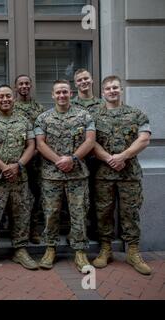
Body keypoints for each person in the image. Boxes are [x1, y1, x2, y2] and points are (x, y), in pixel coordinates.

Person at [92, 75, 152, 275]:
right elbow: (90, 142)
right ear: (102, 92)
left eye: (115, 87)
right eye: (108, 88)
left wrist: (123, 156)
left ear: (121, 90)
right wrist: (110, 158)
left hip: (129, 174)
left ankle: (133, 251)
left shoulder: (136, 114)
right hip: (103, 174)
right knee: (103, 212)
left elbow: (144, 139)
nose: (112, 91)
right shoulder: (94, 116)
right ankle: (106, 248)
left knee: (130, 212)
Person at [34, 79, 95, 272]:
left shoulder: (84, 115)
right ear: (52, 95)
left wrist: (73, 159)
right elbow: (40, 144)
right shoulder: (43, 118)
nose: (61, 95)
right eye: (58, 92)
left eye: (65, 92)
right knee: (51, 213)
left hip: (77, 175)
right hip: (51, 175)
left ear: (71, 93)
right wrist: (60, 161)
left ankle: (79, 252)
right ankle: (50, 248)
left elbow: (90, 141)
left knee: (79, 213)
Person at [0, 85, 38, 272]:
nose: (5, 99)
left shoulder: (24, 121)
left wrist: (18, 165)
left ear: (13, 98)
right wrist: (4, 167)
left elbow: (31, 146)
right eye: (1, 96)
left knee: (21, 214)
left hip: (19, 177)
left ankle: (20, 250)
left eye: (8, 96)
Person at [71, 68, 105, 240]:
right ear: (75, 84)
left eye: (86, 79)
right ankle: (76, 233)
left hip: (99, 160)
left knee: (98, 196)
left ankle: (96, 232)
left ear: (92, 80)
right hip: (78, 161)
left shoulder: (102, 105)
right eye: (79, 80)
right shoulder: (70, 105)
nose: (83, 82)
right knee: (77, 200)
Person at [14, 74, 47, 244]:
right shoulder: (11, 106)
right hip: (14, 160)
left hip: (34, 161)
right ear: (16, 87)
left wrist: (31, 153)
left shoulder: (39, 109)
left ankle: (33, 229)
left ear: (31, 86)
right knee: (16, 197)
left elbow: (42, 135)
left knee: (35, 196)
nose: (24, 86)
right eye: (21, 84)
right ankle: (16, 230)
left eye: (27, 83)